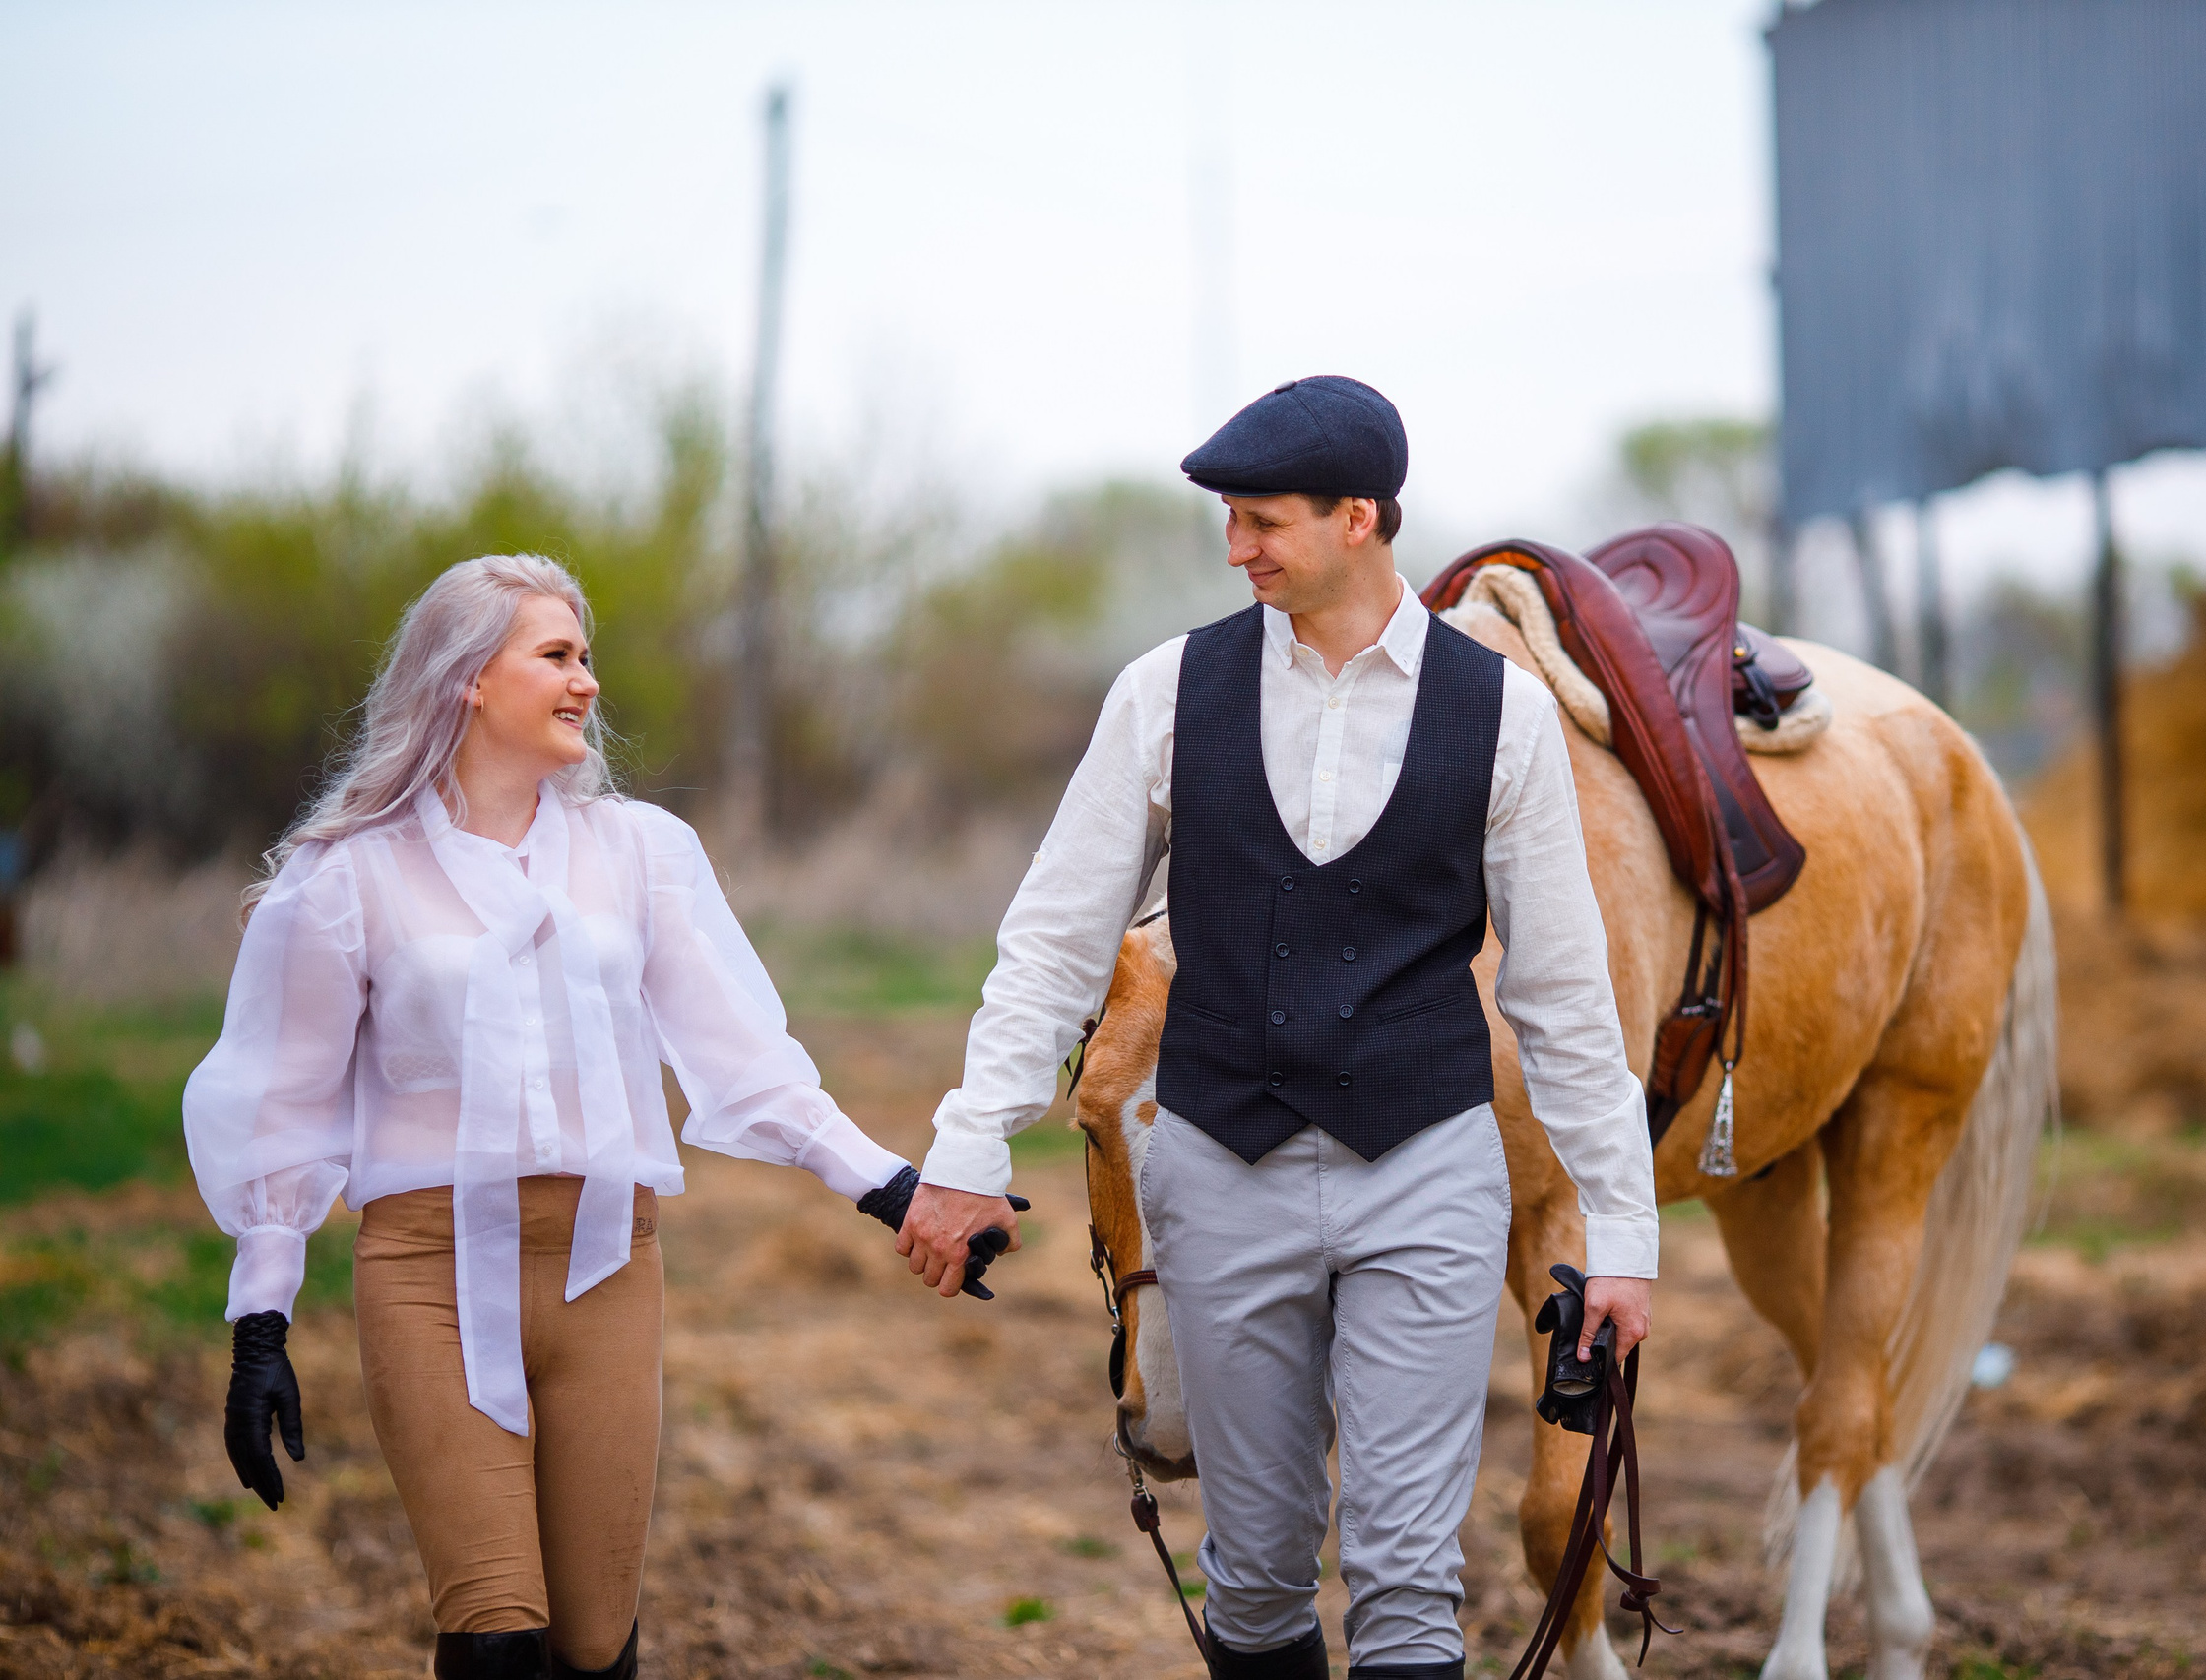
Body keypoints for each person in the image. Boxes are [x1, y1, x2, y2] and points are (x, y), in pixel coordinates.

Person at [896, 377, 1660, 1680]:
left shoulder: (1502, 713)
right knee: (1251, 1580)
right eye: (1230, 523)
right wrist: (972, 1140)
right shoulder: (1164, 691)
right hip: (1220, 1165)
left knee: (1409, 1580)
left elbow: (1565, 998)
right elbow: (1058, 938)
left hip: (1426, 1170)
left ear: (1359, 517)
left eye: (1262, 520)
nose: (1236, 546)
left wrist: (1624, 1233)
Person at [184, 554, 943, 1680]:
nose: (587, 681)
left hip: (608, 1276)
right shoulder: (346, 879)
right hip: (428, 1280)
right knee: (498, 1638)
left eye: (586, 656)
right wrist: (261, 1325)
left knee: (597, 1649)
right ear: (467, 681)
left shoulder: (639, 853)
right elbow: (280, 1102)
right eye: (556, 656)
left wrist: (893, 1188)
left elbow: (744, 1058)